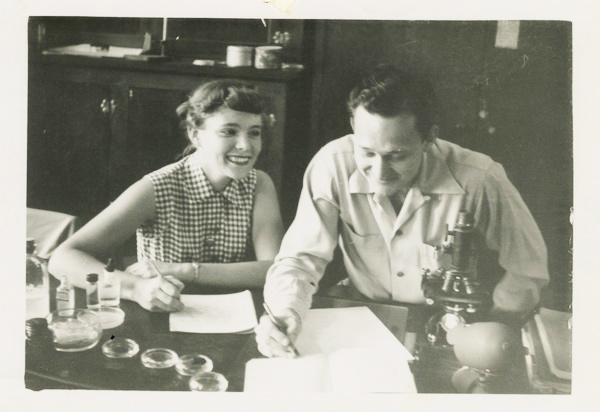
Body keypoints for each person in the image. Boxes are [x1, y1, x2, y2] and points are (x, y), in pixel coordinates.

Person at [255, 64, 549, 358]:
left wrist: (490, 331)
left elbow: (527, 270)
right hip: (362, 317)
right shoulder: (331, 165)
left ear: (428, 138)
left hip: (455, 329)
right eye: (367, 152)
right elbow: (300, 259)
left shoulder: (480, 177)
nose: (379, 171)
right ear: (353, 127)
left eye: (397, 155)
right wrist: (286, 312)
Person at [49, 79, 284, 312]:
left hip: (233, 316)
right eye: (228, 131)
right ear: (195, 135)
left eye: (254, 133)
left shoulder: (259, 183)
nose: (245, 145)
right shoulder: (157, 187)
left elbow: (276, 269)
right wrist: (137, 289)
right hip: (161, 317)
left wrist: (183, 270)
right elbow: (62, 258)